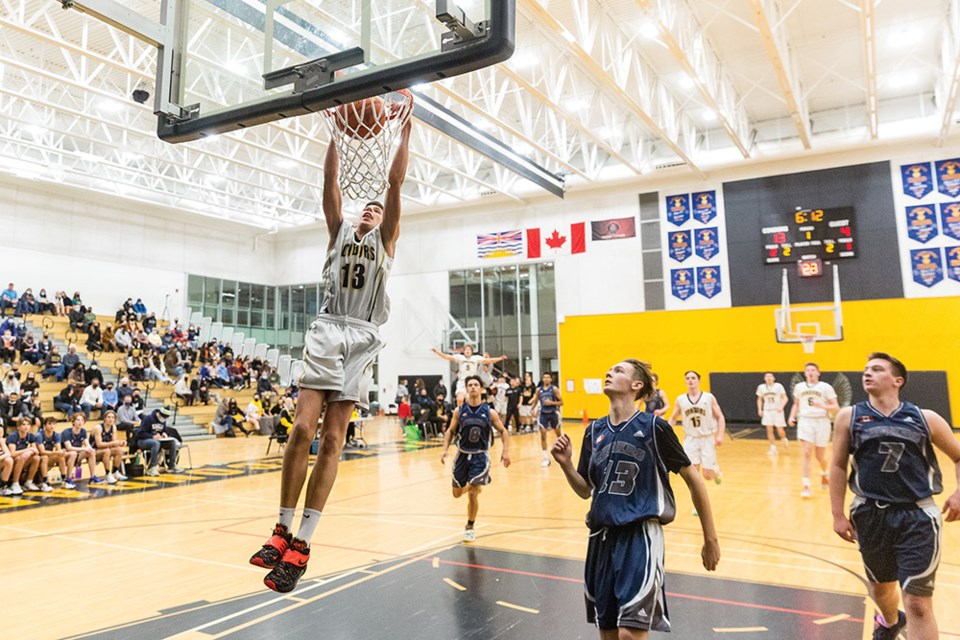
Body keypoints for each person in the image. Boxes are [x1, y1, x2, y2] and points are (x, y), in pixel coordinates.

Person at [249, 114, 413, 594]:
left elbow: (395, 180)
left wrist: (406, 129)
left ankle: (302, 544)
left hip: (362, 335)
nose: (372, 209)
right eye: (368, 207)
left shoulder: (386, 242)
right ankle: (280, 529)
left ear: (386, 223)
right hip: (327, 327)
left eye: (379, 210)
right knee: (302, 428)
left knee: (336, 440)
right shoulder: (339, 231)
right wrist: (335, 129)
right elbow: (329, 180)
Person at [551, 359, 720, 638]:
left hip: (640, 535)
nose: (609, 372)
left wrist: (710, 538)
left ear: (636, 385)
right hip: (601, 539)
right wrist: (566, 464)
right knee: (608, 633)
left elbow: (694, 480)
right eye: (609, 369)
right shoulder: (594, 431)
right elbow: (585, 490)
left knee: (629, 633)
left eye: (618, 371)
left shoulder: (654, 427)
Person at [829, 353, 960, 640]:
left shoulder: (925, 418)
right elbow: (838, 465)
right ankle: (890, 621)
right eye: (865, 369)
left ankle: (900, 620)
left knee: (918, 604)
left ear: (897, 381)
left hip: (917, 517)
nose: (867, 373)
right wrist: (837, 514)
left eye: (876, 369)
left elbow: (959, 456)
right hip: (870, 514)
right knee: (880, 588)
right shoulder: (849, 417)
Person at [439, 376, 510, 541]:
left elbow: (504, 432)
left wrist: (505, 452)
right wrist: (444, 449)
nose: (473, 388)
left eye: (476, 385)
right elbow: (450, 431)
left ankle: (470, 526)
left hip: (480, 456)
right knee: (457, 494)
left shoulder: (489, 412)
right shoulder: (459, 410)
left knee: (473, 492)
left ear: (481, 389)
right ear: (466, 389)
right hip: (462, 455)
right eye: (470, 385)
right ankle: (472, 486)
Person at [669, 371, 726, 492]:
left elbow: (720, 417)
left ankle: (716, 472)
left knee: (707, 475)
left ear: (699, 381)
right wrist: (666, 433)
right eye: (688, 378)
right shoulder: (681, 399)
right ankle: (698, 503)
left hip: (707, 438)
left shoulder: (709, 397)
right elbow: (673, 417)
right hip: (690, 439)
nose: (690, 380)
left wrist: (720, 436)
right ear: (685, 381)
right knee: (693, 474)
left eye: (693, 378)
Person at [788, 362, 838, 498]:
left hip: (822, 421)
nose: (810, 372)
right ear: (805, 373)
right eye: (808, 370)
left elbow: (836, 407)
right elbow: (796, 404)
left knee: (820, 456)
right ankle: (806, 485)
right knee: (806, 452)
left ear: (818, 373)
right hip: (805, 420)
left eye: (813, 370)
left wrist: (823, 406)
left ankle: (824, 473)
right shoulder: (799, 387)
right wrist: (792, 416)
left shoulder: (825, 387)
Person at [431, 345, 507, 405]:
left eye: (469, 350)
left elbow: (489, 360)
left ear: (472, 352)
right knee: (460, 399)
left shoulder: (476, 358)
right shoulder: (460, 357)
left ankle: (471, 415)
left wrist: (500, 358)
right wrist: (437, 352)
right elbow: (447, 357)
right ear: (463, 351)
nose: (467, 351)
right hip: (462, 381)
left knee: (469, 400)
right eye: (466, 350)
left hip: (471, 382)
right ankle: (460, 416)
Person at [134, 407, 182, 475]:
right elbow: (140, 433)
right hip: (142, 441)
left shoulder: (163, 420)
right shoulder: (148, 418)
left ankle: (172, 465)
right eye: (164, 417)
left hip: (158, 441)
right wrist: (152, 436)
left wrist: (165, 434)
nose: (164, 419)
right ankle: (152, 467)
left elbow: (164, 430)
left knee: (172, 442)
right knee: (155, 443)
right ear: (159, 414)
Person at [35, 417, 77, 489]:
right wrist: (57, 452)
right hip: (38, 459)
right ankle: (45, 482)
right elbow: (42, 452)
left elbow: (59, 450)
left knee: (61, 456)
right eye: (50, 424)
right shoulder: (39, 435)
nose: (52, 426)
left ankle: (64, 480)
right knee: (45, 457)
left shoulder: (56, 435)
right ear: (44, 426)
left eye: (54, 424)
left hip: (49, 457)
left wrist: (61, 452)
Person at [533, 372, 563, 467]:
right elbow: (536, 400)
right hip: (543, 414)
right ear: (542, 379)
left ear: (550, 379)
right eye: (544, 377)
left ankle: (562, 450)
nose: (546, 379)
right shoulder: (539, 390)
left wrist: (551, 403)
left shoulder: (554, 389)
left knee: (558, 434)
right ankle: (546, 458)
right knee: (543, 435)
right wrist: (533, 409)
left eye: (548, 377)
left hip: (553, 413)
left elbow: (562, 402)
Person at [756, 372, 789, 457]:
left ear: (774, 378)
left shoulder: (778, 386)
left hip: (777, 410)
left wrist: (781, 406)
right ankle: (773, 448)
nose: (769, 378)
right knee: (769, 429)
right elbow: (759, 399)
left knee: (780, 430)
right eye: (767, 376)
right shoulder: (761, 387)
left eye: (770, 376)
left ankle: (784, 438)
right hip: (767, 410)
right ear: (764, 378)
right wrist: (760, 409)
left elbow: (785, 398)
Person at [61, 414, 101, 483]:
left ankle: (92, 477)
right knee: (73, 453)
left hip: (77, 455)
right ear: (73, 422)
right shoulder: (66, 432)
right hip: (66, 455)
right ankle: (68, 478)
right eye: (78, 420)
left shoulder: (83, 431)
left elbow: (87, 445)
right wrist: (84, 449)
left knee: (91, 452)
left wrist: (91, 449)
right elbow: (69, 448)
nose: (80, 422)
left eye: (82, 420)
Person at [5, 417, 42, 492]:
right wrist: (28, 450)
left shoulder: (31, 436)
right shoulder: (13, 436)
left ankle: (29, 482)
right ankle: (15, 483)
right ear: (18, 427)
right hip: (12, 460)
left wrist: (29, 452)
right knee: (20, 458)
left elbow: (35, 451)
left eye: (28, 424)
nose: (26, 427)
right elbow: (12, 454)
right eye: (23, 424)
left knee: (36, 458)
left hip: (23, 458)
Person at [91, 410, 127, 484]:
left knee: (119, 450)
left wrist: (121, 443)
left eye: (113, 417)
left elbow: (114, 443)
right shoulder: (98, 428)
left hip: (106, 450)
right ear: (104, 418)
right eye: (109, 417)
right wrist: (114, 443)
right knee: (107, 451)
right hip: (94, 451)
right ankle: (107, 474)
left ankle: (115, 472)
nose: (111, 419)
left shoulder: (113, 427)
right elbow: (99, 445)